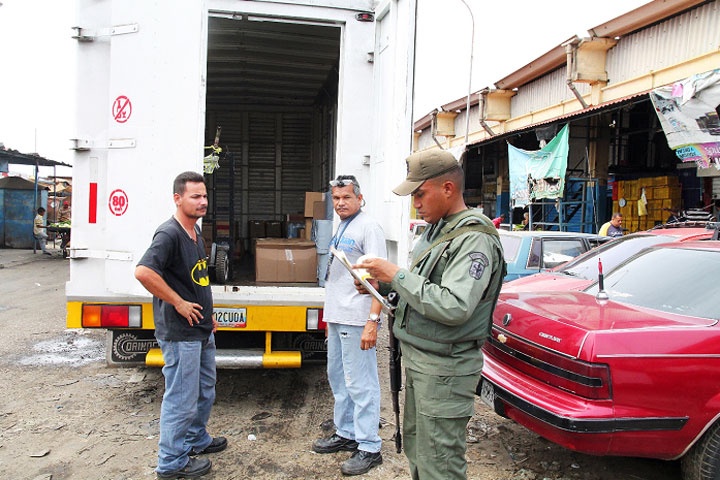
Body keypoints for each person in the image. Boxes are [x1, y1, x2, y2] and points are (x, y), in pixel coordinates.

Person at [356, 150, 505, 480]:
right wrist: (381, 286)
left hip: (446, 370)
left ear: (448, 189)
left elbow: (454, 306)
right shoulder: (436, 232)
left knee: (440, 463)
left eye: (420, 194)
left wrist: (395, 274)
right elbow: (420, 292)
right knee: (419, 451)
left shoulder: (473, 240)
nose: (416, 204)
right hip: (424, 364)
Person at [135, 171, 226, 479]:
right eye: (195, 197)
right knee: (181, 398)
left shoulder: (194, 232)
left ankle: (195, 439)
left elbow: (196, 279)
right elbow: (144, 272)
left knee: (204, 390)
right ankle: (172, 463)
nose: (203, 202)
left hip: (200, 329)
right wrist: (178, 302)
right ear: (178, 198)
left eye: (204, 196)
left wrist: (208, 313)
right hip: (180, 333)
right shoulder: (169, 234)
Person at [312, 174, 387, 476]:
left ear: (359, 198)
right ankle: (346, 432)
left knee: (361, 384)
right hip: (337, 315)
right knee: (339, 380)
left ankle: (369, 447)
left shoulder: (369, 227)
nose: (341, 203)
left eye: (346, 198)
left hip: (357, 318)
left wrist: (372, 321)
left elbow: (379, 279)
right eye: (336, 198)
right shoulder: (343, 225)